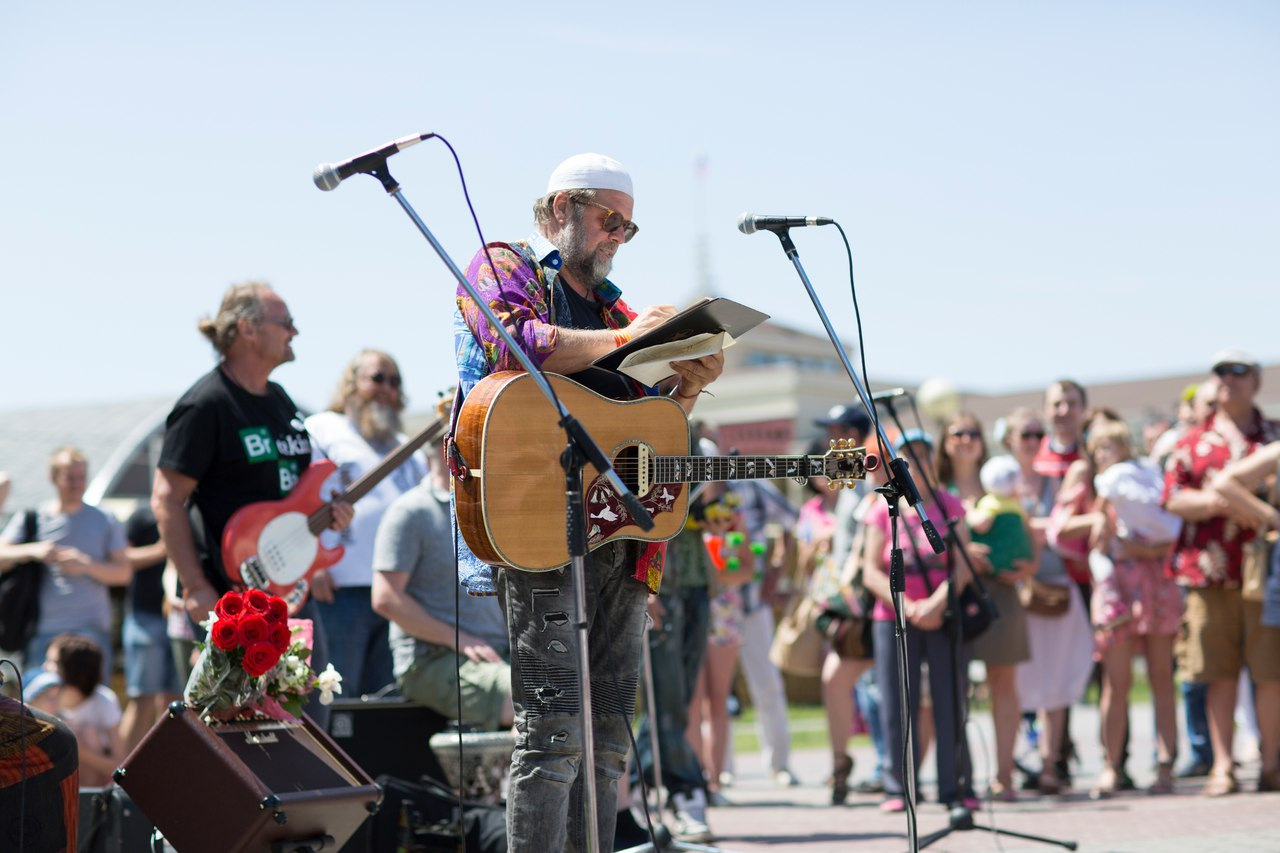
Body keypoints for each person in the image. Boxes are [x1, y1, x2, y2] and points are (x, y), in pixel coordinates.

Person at [452, 153, 723, 852]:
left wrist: (687, 384)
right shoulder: (503, 264)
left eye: (628, 228)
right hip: (539, 526)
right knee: (551, 740)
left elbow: (646, 428)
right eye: (609, 219)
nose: (617, 237)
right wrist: (635, 339)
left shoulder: (617, 310)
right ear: (559, 210)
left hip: (622, 543)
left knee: (605, 743)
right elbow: (517, 341)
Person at [150, 282, 353, 728]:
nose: (295, 332)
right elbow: (167, 498)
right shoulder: (206, 404)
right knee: (232, 732)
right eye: (286, 323)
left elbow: (293, 494)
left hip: (291, 595)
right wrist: (195, 585)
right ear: (247, 329)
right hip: (232, 599)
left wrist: (328, 515)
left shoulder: (280, 401)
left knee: (307, 729)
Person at [1162, 349, 1280, 796]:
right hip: (1210, 572)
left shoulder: (1273, 435)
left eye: (1239, 371)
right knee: (1218, 671)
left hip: (1268, 573)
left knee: (1271, 672)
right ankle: (1224, 767)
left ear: (1256, 381)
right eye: (1220, 371)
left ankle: (1271, 764)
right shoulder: (1191, 442)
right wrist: (1224, 501)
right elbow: (1173, 498)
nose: (1229, 379)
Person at [862, 429, 978, 813]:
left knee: (950, 702)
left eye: (923, 456)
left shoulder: (949, 505)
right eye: (907, 457)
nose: (916, 464)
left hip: (942, 617)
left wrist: (933, 605)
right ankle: (900, 787)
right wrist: (906, 607)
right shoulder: (881, 508)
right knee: (897, 704)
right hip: (893, 617)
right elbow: (869, 571)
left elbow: (962, 567)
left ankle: (956, 788)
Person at [371, 436, 513, 731]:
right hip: (433, 660)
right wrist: (457, 638)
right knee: (527, 701)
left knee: (587, 697)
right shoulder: (411, 511)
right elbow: (386, 598)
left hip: (497, 653)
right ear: (446, 447)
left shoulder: (490, 509)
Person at [307, 349, 427, 697]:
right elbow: (299, 498)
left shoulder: (410, 450)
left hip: (399, 594)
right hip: (340, 590)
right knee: (334, 699)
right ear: (351, 383)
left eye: (394, 381)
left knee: (385, 700)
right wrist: (312, 565)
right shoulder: (323, 429)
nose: (386, 388)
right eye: (377, 378)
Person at [1082, 418, 1184, 797]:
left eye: (1113, 446)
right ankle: (1111, 766)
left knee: (1161, 676)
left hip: (1156, 583)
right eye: (1100, 449)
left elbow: (1169, 536)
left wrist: (1144, 549)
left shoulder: (1145, 482)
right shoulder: (1103, 496)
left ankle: (1166, 764)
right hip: (1119, 590)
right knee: (1117, 681)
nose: (1106, 455)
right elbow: (1096, 540)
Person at [941, 414, 1034, 802]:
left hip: (999, 593)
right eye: (957, 433)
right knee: (947, 690)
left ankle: (1004, 775)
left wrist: (1027, 564)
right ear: (944, 442)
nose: (966, 439)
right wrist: (963, 554)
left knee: (1004, 684)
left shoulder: (999, 481)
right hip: (949, 596)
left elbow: (1027, 533)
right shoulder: (933, 486)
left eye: (973, 433)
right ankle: (954, 778)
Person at [1007, 403, 1095, 795]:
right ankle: (1005, 769)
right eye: (1023, 434)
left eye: (1035, 434)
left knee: (1056, 685)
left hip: (1055, 592)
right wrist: (1038, 529)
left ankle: (1049, 766)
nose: (1031, 441)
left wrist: (1028, 529)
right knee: (1013, 685)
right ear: (1009, 440)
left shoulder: (1053, 481)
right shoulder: (999, 480)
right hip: (1014, 595)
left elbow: (1064, 531)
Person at [0, 448, 129, 680]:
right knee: (39, 711)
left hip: (92, 630)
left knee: (92, 709)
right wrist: (33, 551)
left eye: (81, 477)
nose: (76, 484)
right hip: (43, 631)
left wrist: (85, 564)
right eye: (70, 477)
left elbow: (123, 573)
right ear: (54, 478)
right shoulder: (33, 517)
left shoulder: (105, 519)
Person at [118, 504, 181, 753]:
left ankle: (166, 775)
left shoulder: (194, 512)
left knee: (174, 704)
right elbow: (121, 558)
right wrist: (164, 550)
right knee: (142, 700)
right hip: (145, 618)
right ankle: (119, 778)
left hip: (180, 621)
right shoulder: (142, 515)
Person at [26, 633, 123, 788]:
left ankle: (86, 802)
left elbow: (121, 767)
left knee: (89, 733)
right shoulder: (46, 697)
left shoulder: (104, 701)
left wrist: (80, 749)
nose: (44, 667)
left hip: (94, 779)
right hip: (54, 776)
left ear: (72, 669)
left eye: (52, 662)